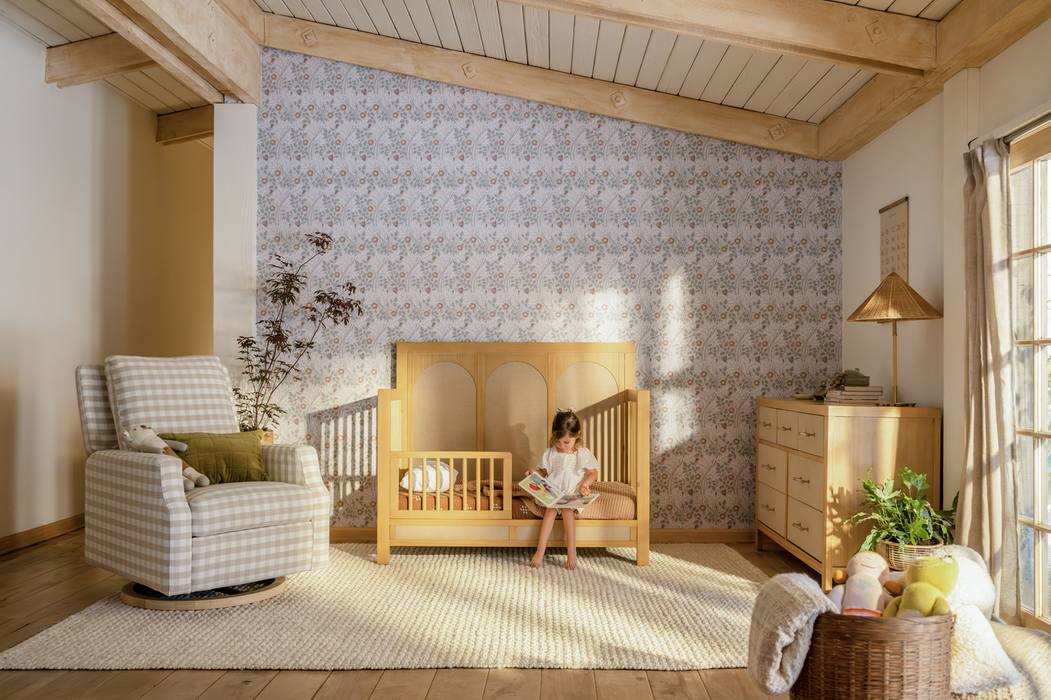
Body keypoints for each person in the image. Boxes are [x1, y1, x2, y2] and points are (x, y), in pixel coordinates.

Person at [525, 408, 598, 570]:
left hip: (571, 489)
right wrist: (533, 473)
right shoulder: (551, 452)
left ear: (577, 434)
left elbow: (593, 473)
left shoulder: (581, 452)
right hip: (554, 488)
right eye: (558, 441)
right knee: (550, 511)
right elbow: (544, 472)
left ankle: (571, 550)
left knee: (566, 510)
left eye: (566, 442)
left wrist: (584, 485)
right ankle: (540, 550)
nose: (561, 446)